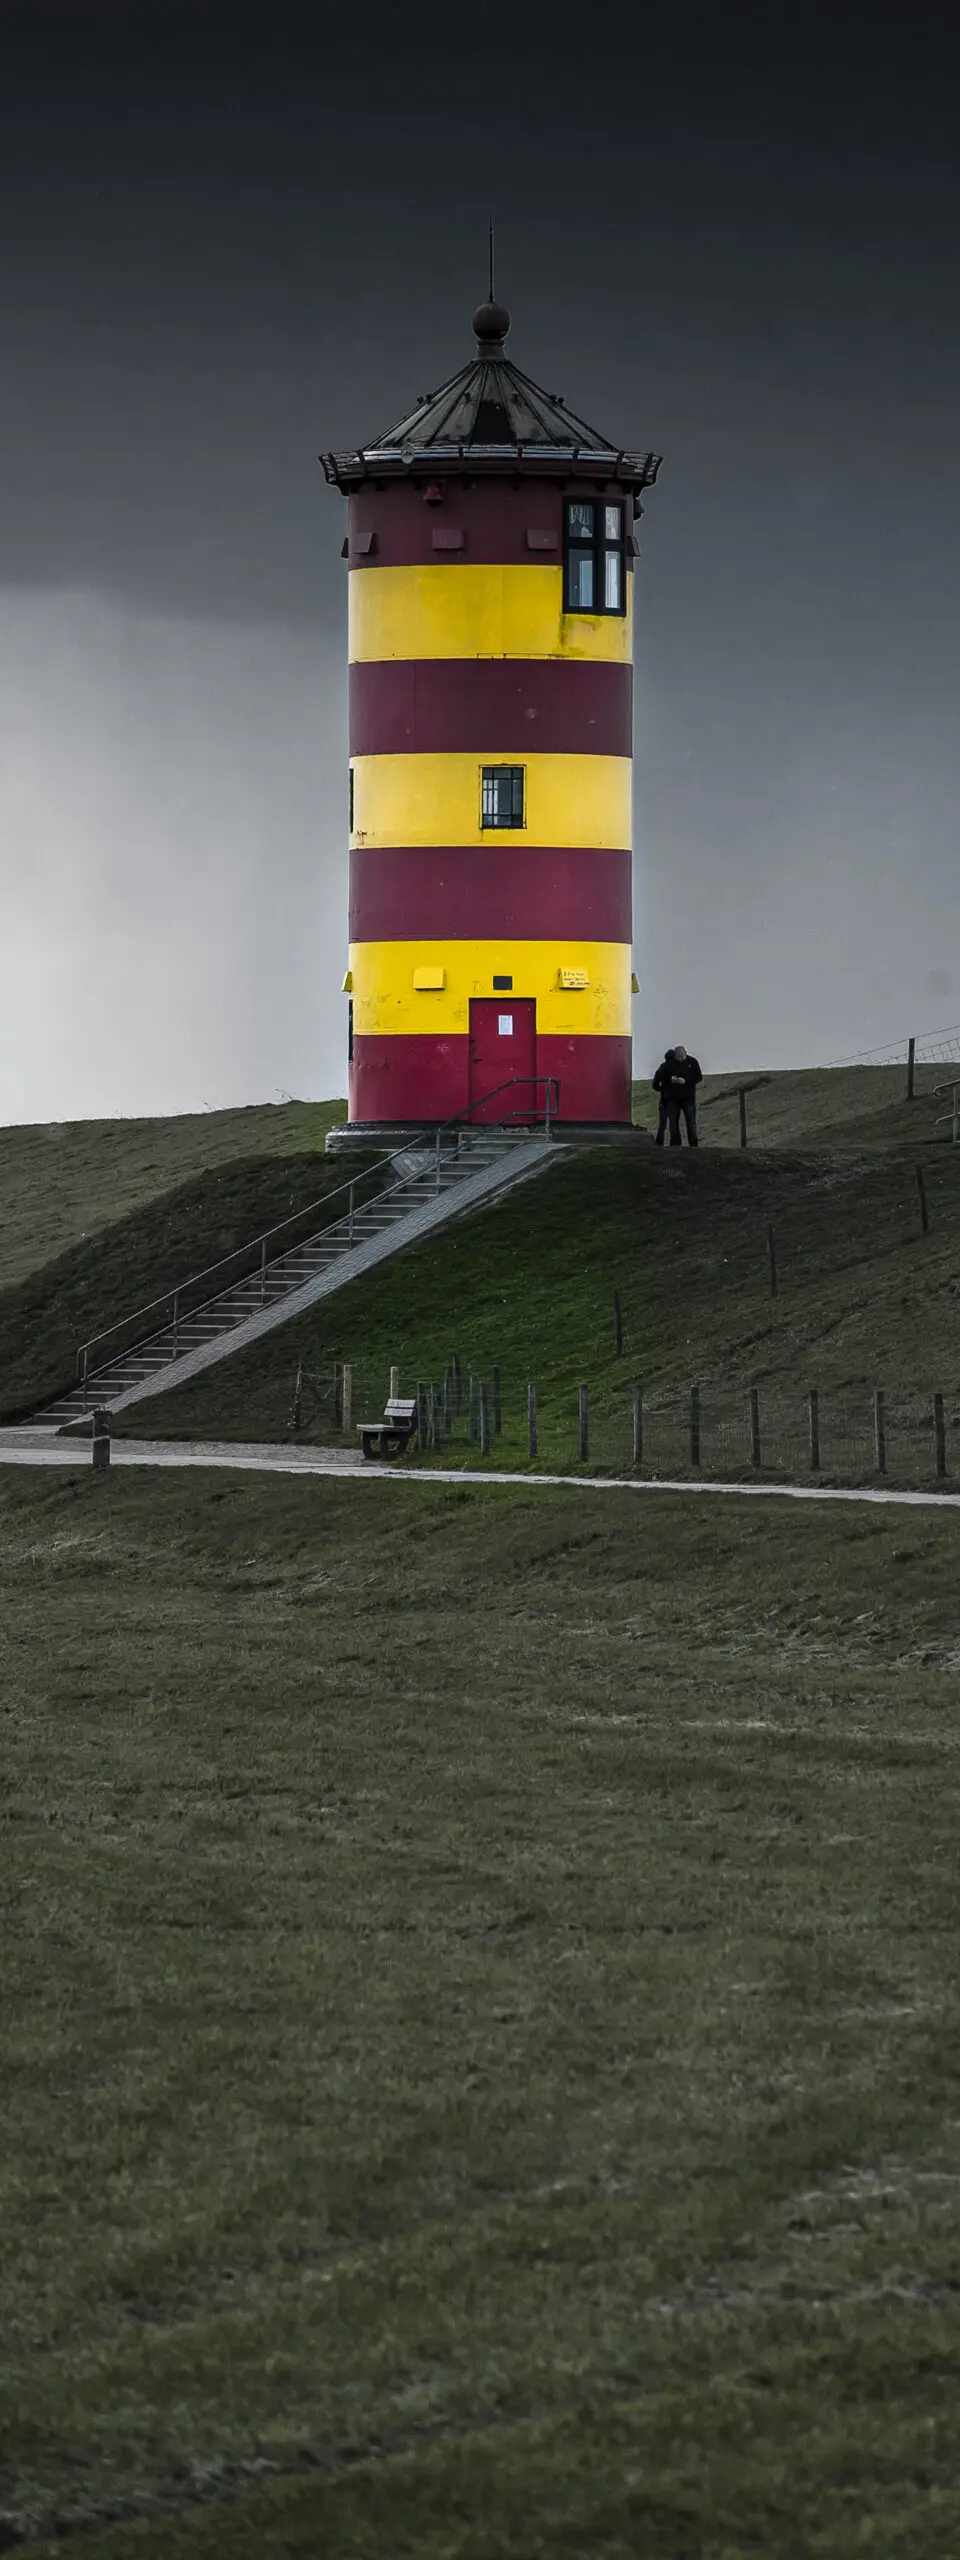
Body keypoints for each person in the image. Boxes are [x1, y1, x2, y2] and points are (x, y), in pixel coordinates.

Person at [652, 1044, 703, 1146]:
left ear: (685, 1053)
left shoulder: (692, 1062)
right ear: (675, 1056)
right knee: (673, 1124)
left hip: (688, 1099)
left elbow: (698, 1077)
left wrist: (685, 1080)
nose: (680, 1059)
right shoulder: (668, 1065)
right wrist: (670, 1081)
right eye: (678, 1057)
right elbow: (660, 1079)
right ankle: (675, 1144)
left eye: (682, 1056)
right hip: (673, 1099)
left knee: (691, 1123)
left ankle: (693, 1145)